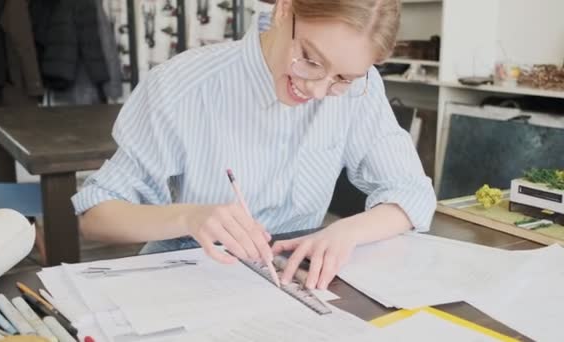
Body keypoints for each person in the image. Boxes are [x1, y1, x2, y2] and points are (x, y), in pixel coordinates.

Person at [72, 0, 436, 290]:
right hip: (190, 278)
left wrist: (347, 231)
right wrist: (189, 217)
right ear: (283, 9)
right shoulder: (184, 85)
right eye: (310, 60)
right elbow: (96, 216)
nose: (318, 90)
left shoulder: (360, 88)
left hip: (291, 281)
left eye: (341, 78)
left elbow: (412, 193)